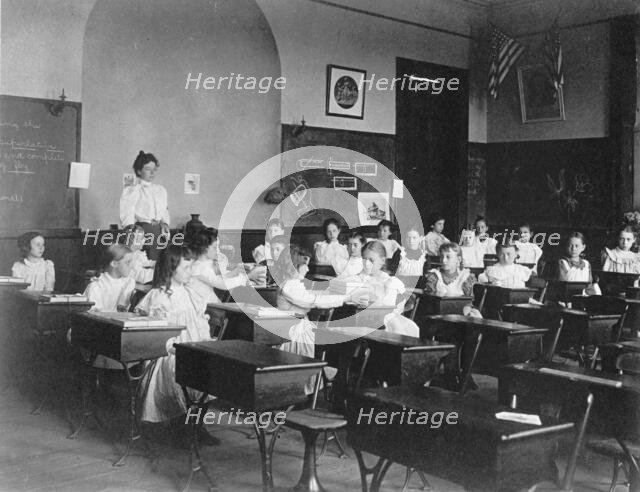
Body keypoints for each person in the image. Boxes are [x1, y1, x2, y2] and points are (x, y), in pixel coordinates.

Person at [136, 246, 216, 441]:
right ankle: (182, 427)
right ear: (172, 269)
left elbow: (196, 325)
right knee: (187, 369)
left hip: (191, 347)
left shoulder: (189, 292)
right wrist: (179, 349)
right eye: (186, 268)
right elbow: (158, 336)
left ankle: (197, 425)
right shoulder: (160, 296)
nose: (190, 272)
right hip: (167, 353)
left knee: (214, 367)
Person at [272, 245, 365, 392]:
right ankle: (298, 390)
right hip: (291, 332)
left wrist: (338, 295)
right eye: (305, 266)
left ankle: (308, 386)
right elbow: (313, 300)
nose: (308, 270)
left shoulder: (294, 283)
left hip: (297, 328)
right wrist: (345, 299)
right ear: (294, 266)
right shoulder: (289, 285)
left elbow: (316, 297)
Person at [83, 244, 136, 369]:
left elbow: (123, 308)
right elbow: (95, 318)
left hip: (118, 330)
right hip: (99, 331)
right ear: (114, 264)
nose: (132, 266)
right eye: (128, 262)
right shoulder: (96, 286)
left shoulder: (127, 283)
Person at [188, 228, 265, 311]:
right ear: (203, 248)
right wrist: (247, 277)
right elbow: (223, 284)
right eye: (215, 247)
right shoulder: (199, 268)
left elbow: (218, 278)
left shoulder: (204, 264)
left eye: (218, 246)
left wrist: (236, 272)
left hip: (210, 305)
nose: (218, 250)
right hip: (203, 308)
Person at [354, 241, 420, 337]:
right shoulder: (358, 278)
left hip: (382, 319)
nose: (367, 264)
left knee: (403, 329)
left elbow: (408, 301)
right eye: (364, 259)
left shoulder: (389, 281)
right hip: (360, 317)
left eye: (371, 260)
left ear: (382, 260)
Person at [119, 151, 169, 260]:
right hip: (142, 231)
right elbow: (127, 209)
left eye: (154, 170)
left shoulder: (160, 190)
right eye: (147, 169)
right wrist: (130, 230)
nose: (152, 173)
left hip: (159, 231)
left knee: (160, 262)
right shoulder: (133, 189)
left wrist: (165, 223)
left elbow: (164, 210)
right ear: (138, 171)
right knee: (144, 261)